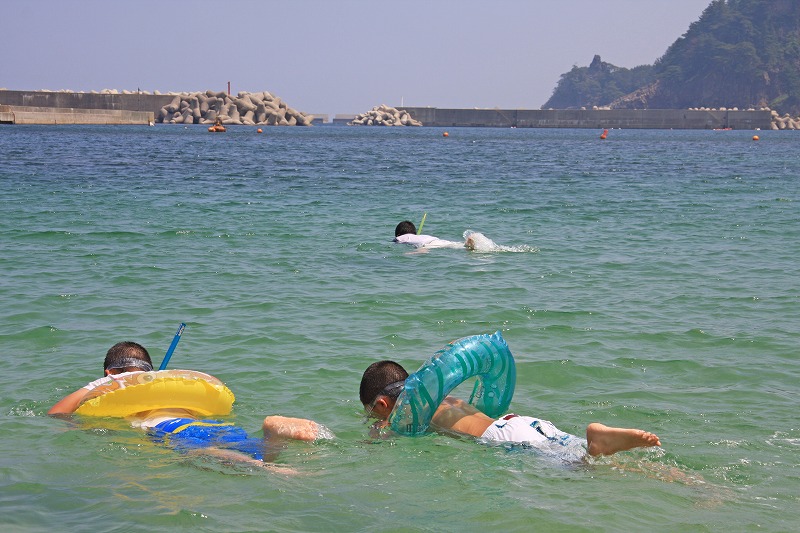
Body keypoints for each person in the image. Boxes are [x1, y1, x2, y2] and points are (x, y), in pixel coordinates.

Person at [49, 341, 328, 472]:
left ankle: (265, 468)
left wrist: (94, 389)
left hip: (165, 427)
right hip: (204, 421)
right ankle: (272, 435)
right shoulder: (163, 382)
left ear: (110, 371)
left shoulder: (112, 382)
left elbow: (57, 413)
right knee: (242, 443)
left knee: (197, 452)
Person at [360, 360, 661, 459]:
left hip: (502, 439)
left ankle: (597, 445)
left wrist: (375, 434)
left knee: (582, 469)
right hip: (522, 423)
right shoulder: (444, 398)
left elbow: (384, 440)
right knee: (599, 459)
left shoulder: (408, 413)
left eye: (373, 412)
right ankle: (695, 485)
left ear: (384, 404)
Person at [393, 220, 477, 250]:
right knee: (453, 244)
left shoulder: (400, 238)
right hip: (434, 240)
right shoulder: (419, 236)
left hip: (426, 245)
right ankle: (466, 243)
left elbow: (394, 242)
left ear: (398, 234)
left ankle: (467, 245)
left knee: (422, 249)